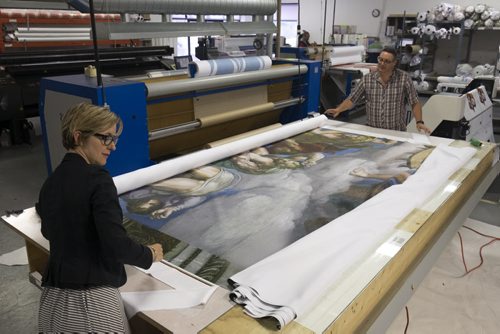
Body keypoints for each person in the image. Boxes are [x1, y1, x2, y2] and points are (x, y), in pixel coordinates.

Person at [35, 102, 164, 333]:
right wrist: (149, 254)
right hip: (91, 307)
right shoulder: (98, 179)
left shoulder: (51, 181)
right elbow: (116, 245)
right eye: (105, 138)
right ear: (78, 136)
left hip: (51, 304)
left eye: (114, 139)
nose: (112, 146)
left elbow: (48, 230)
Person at [325, 47, 431, 134]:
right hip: (372, 130)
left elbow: (414, 102)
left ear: (394, 63)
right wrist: (338, 109)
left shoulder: (404, 78)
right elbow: (352, 99)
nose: (382, 63)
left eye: (387, 61)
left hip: (396, 132)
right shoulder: (367, 79)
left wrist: (419, 121)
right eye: (380, 59)